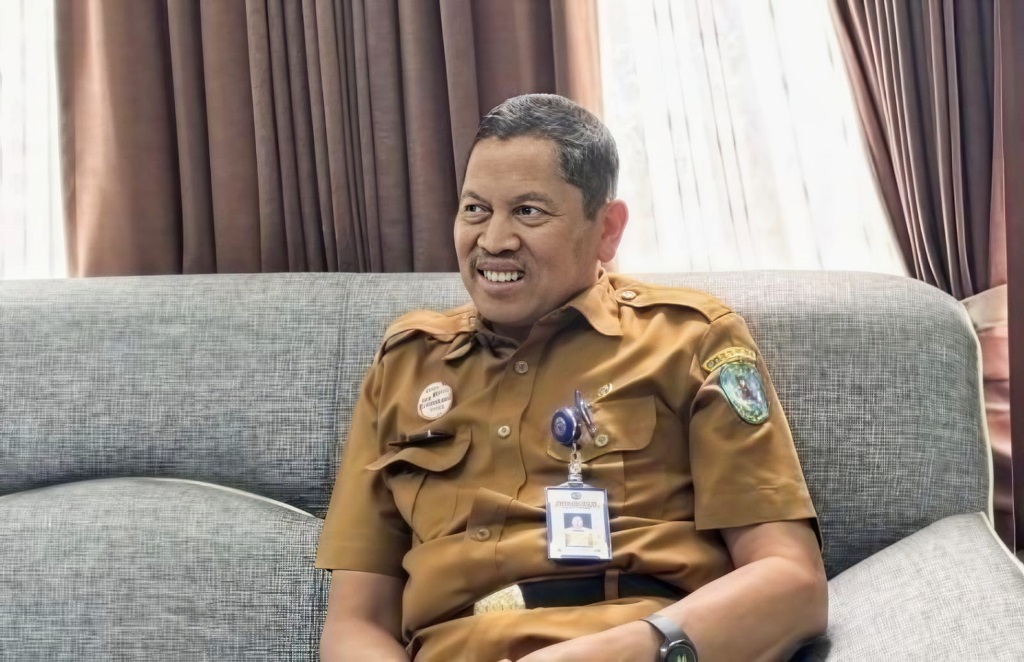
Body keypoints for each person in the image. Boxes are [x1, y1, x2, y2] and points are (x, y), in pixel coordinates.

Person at [315, 93, 827, 662]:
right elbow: (355, 624)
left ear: (607, 228)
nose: (493, 240)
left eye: (529, 212)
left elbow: (792, 582)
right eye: (475, 209)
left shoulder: (687, 339)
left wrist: (624, 652)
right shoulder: (406, 363)